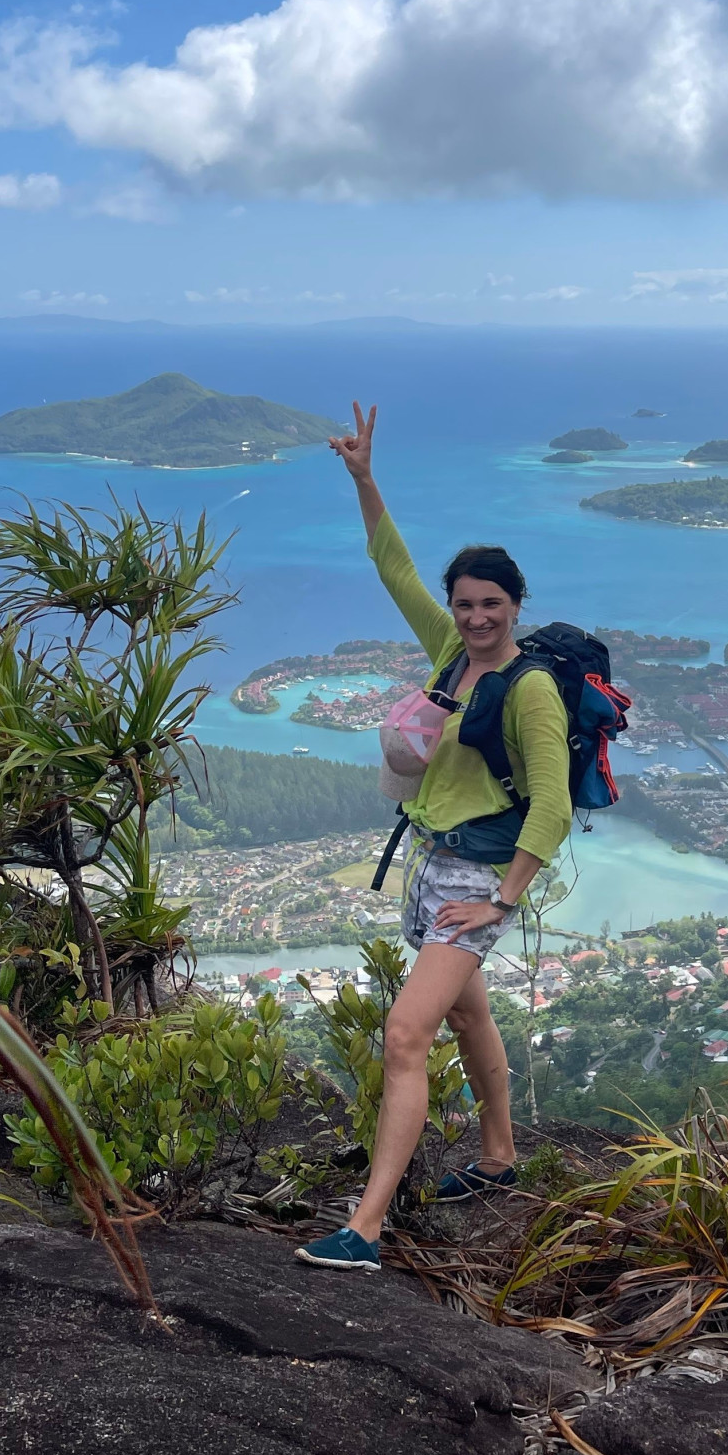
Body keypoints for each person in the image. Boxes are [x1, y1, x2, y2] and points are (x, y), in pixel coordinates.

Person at [296, 401, 571, 1273]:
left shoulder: (530, 690)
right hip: (434, 858)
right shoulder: (448, 652)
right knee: (467, 1008)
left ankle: (366, 1228)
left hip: (480, 875)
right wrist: (365, 478)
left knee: (408, 1034)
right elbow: (393, 567)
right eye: (464, 603)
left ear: (517, 604)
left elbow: (554, 806)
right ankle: (498, 1155)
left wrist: (502, 898)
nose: (476, 615)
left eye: (491, 603)